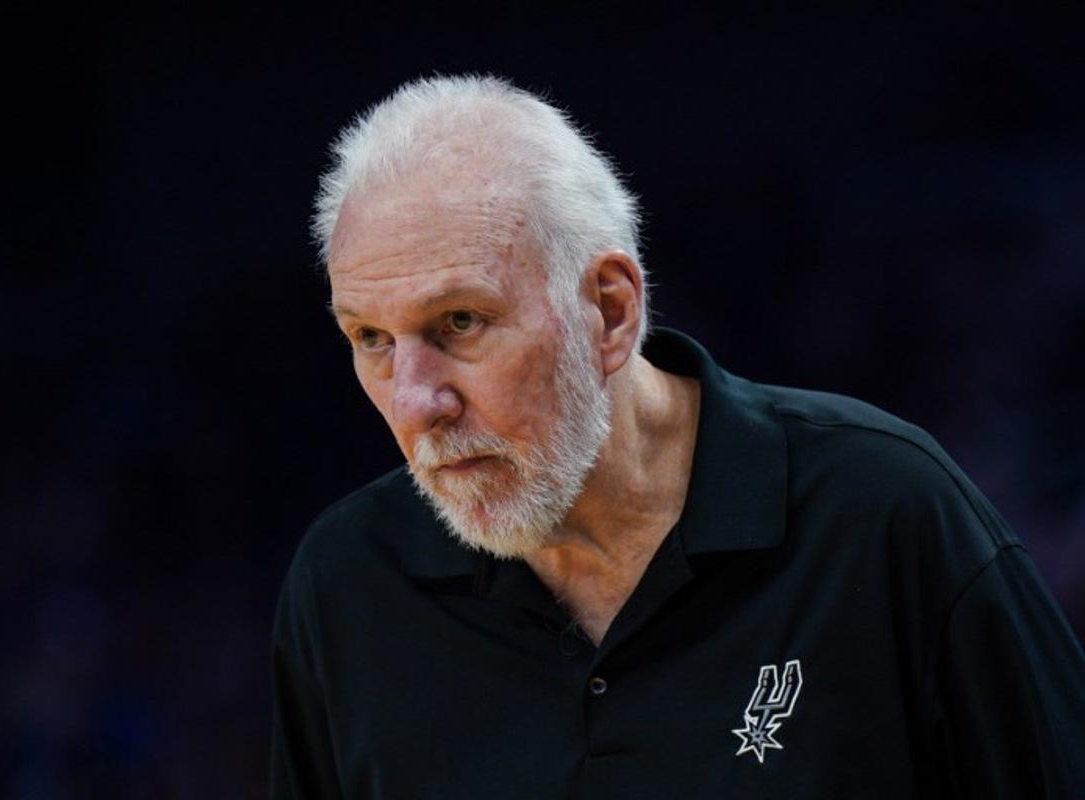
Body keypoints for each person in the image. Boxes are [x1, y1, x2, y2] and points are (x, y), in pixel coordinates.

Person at [270, 75, 1085, 799]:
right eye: (371, 338)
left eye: (460, 322)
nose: (415, 403)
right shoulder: (347, 585)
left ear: (611, 311)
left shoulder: (883, 511)